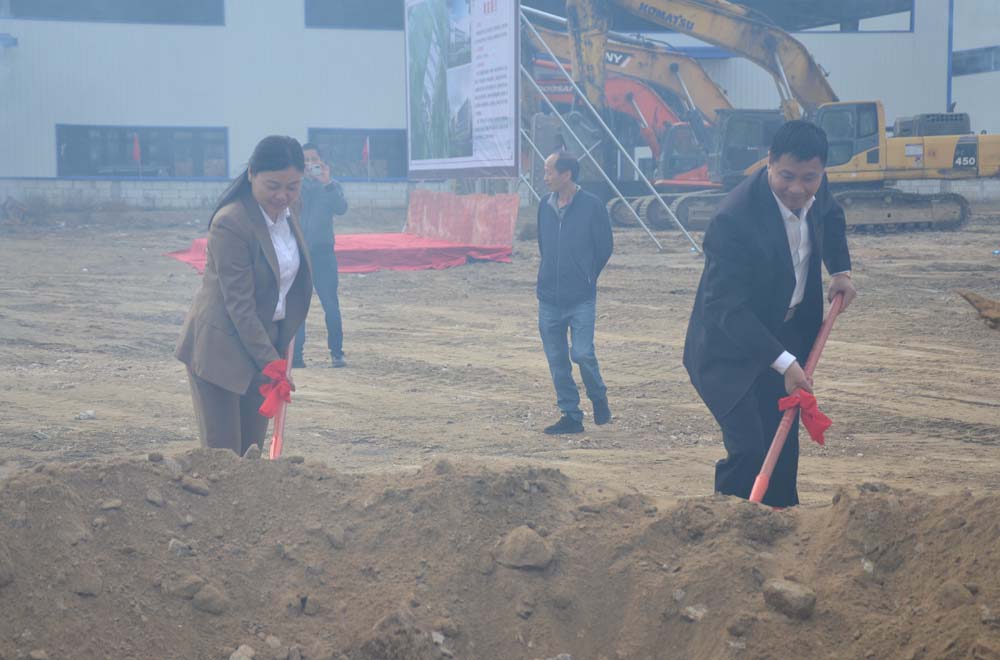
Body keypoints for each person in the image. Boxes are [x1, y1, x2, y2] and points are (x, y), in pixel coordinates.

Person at [683, 120, 857, 507]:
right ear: (769, 162)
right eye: (787, 176)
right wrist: (785, 363)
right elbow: (724, 306)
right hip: (728, 347)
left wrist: (840, 271)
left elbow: (831, 216)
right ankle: (729, 526)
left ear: (822, 171)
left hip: (787, 333)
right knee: (749, 447)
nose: (797, 189)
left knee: (783, 442)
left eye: (809, 178)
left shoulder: (816, 188)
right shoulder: (733, 220)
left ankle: (782, 523)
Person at [175, 136, 313, 456]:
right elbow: (239, 305)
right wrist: (272, 364)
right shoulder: (231, 223)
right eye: (273, 186)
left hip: (262, 345)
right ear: (251, 173)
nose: (282, 196)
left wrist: (276, 350)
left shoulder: (291, 212)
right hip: (221, 350)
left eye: (292, 187)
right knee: (224, 458)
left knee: (251, 454)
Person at [536, 152, 614, 434]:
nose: (545, 177)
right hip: (549, 298)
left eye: (549, 171)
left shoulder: (592, 206)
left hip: (581, 296)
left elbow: (604, 246)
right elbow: (543, 245)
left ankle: (598, 396)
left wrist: (587, 275)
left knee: (582, 353)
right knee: (557, 362)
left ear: (566, 174)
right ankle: (570, 415)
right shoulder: (544, 206)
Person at [292, 142, 349, 368]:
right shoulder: (293, 187)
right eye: (304, 160)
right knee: (298, 307)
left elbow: (341, 208)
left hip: (324, 255)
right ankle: (296, 356)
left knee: (331, 305)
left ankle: (337, 353)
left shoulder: (331, 186)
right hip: (298, 255)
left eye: (313, 160)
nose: (309, 164)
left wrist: (326, 183)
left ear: (321, 162)